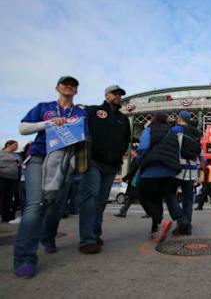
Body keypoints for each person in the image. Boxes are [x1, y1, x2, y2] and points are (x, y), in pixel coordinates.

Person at [13, 76, 87, 278]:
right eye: (65, 84)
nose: (69, 86)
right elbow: (23, 128)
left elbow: (83, 138)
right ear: (57, 87)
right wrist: (48, 123)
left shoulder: (80, 113)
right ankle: (24, 258)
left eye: (73, 85)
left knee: (55, 206)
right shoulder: (43, 107)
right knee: (35, 206)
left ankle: (48, 236)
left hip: (64, 162)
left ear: (76, 91)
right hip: (39, 156)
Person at [78, 85, 131, 254]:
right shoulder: (93, 111)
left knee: (101, 200)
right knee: (91, 197)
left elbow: (126, 140)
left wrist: (119, 153)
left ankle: (95, 234)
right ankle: (87, 239)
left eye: (120, 94)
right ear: (106, 95)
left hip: (112, 165)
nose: (118, 96)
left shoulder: (123, 119)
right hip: (93, 161)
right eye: (114, 93)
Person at [135, 112, 187, 244]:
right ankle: (155, 230)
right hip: (170, 173)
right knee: (157, 200)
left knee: (144, 197)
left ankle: (161, 221)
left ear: (154, 119)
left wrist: (139, 159)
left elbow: (143, 147)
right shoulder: (172, 131)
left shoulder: (149, 129)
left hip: (151, 171)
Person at [170, 110, 202, 235]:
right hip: (192, 170)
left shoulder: (175, 130)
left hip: (177, 169)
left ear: (179, 118)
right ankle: (186, 226)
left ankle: (182, 220)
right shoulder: (196, 133)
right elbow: (201, 154)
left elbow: (171, 149)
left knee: (170, 194)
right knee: (188, 199)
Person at [0, 140, 20, 222]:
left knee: (9, 198)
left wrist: (19, 165)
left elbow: (20, 163)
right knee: (1, 197)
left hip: (13, 179)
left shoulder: (16, 155)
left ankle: (6, 217)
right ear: (8, 145)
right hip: (2, 177)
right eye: (15, 145)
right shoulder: (1, 153)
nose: (17, 147)